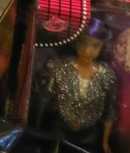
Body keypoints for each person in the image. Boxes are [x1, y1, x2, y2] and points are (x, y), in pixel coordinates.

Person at [43, 21, 117, 153]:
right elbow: (46, 101)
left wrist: (105, 142)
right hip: (60, 132)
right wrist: (37, 129)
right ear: (75, 41)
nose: (87, 51)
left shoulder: (107, 75)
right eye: (83, 43)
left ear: (102, 47)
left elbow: (110, 111)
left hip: (90, 136)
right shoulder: (60, 67)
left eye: (95, 46)